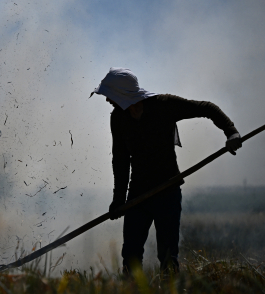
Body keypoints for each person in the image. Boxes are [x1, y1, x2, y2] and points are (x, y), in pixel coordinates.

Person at [91, 68, 242, 274]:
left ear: (123, 95)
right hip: (138, 194)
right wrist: (119, 199)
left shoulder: (164, 105)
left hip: (167, 191)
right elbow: (121, 160)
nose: (108, 101)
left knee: (168, 257)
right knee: (131, 256)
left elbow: (207, 108)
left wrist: (231, 132)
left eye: (110, 96)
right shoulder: (118, 119)